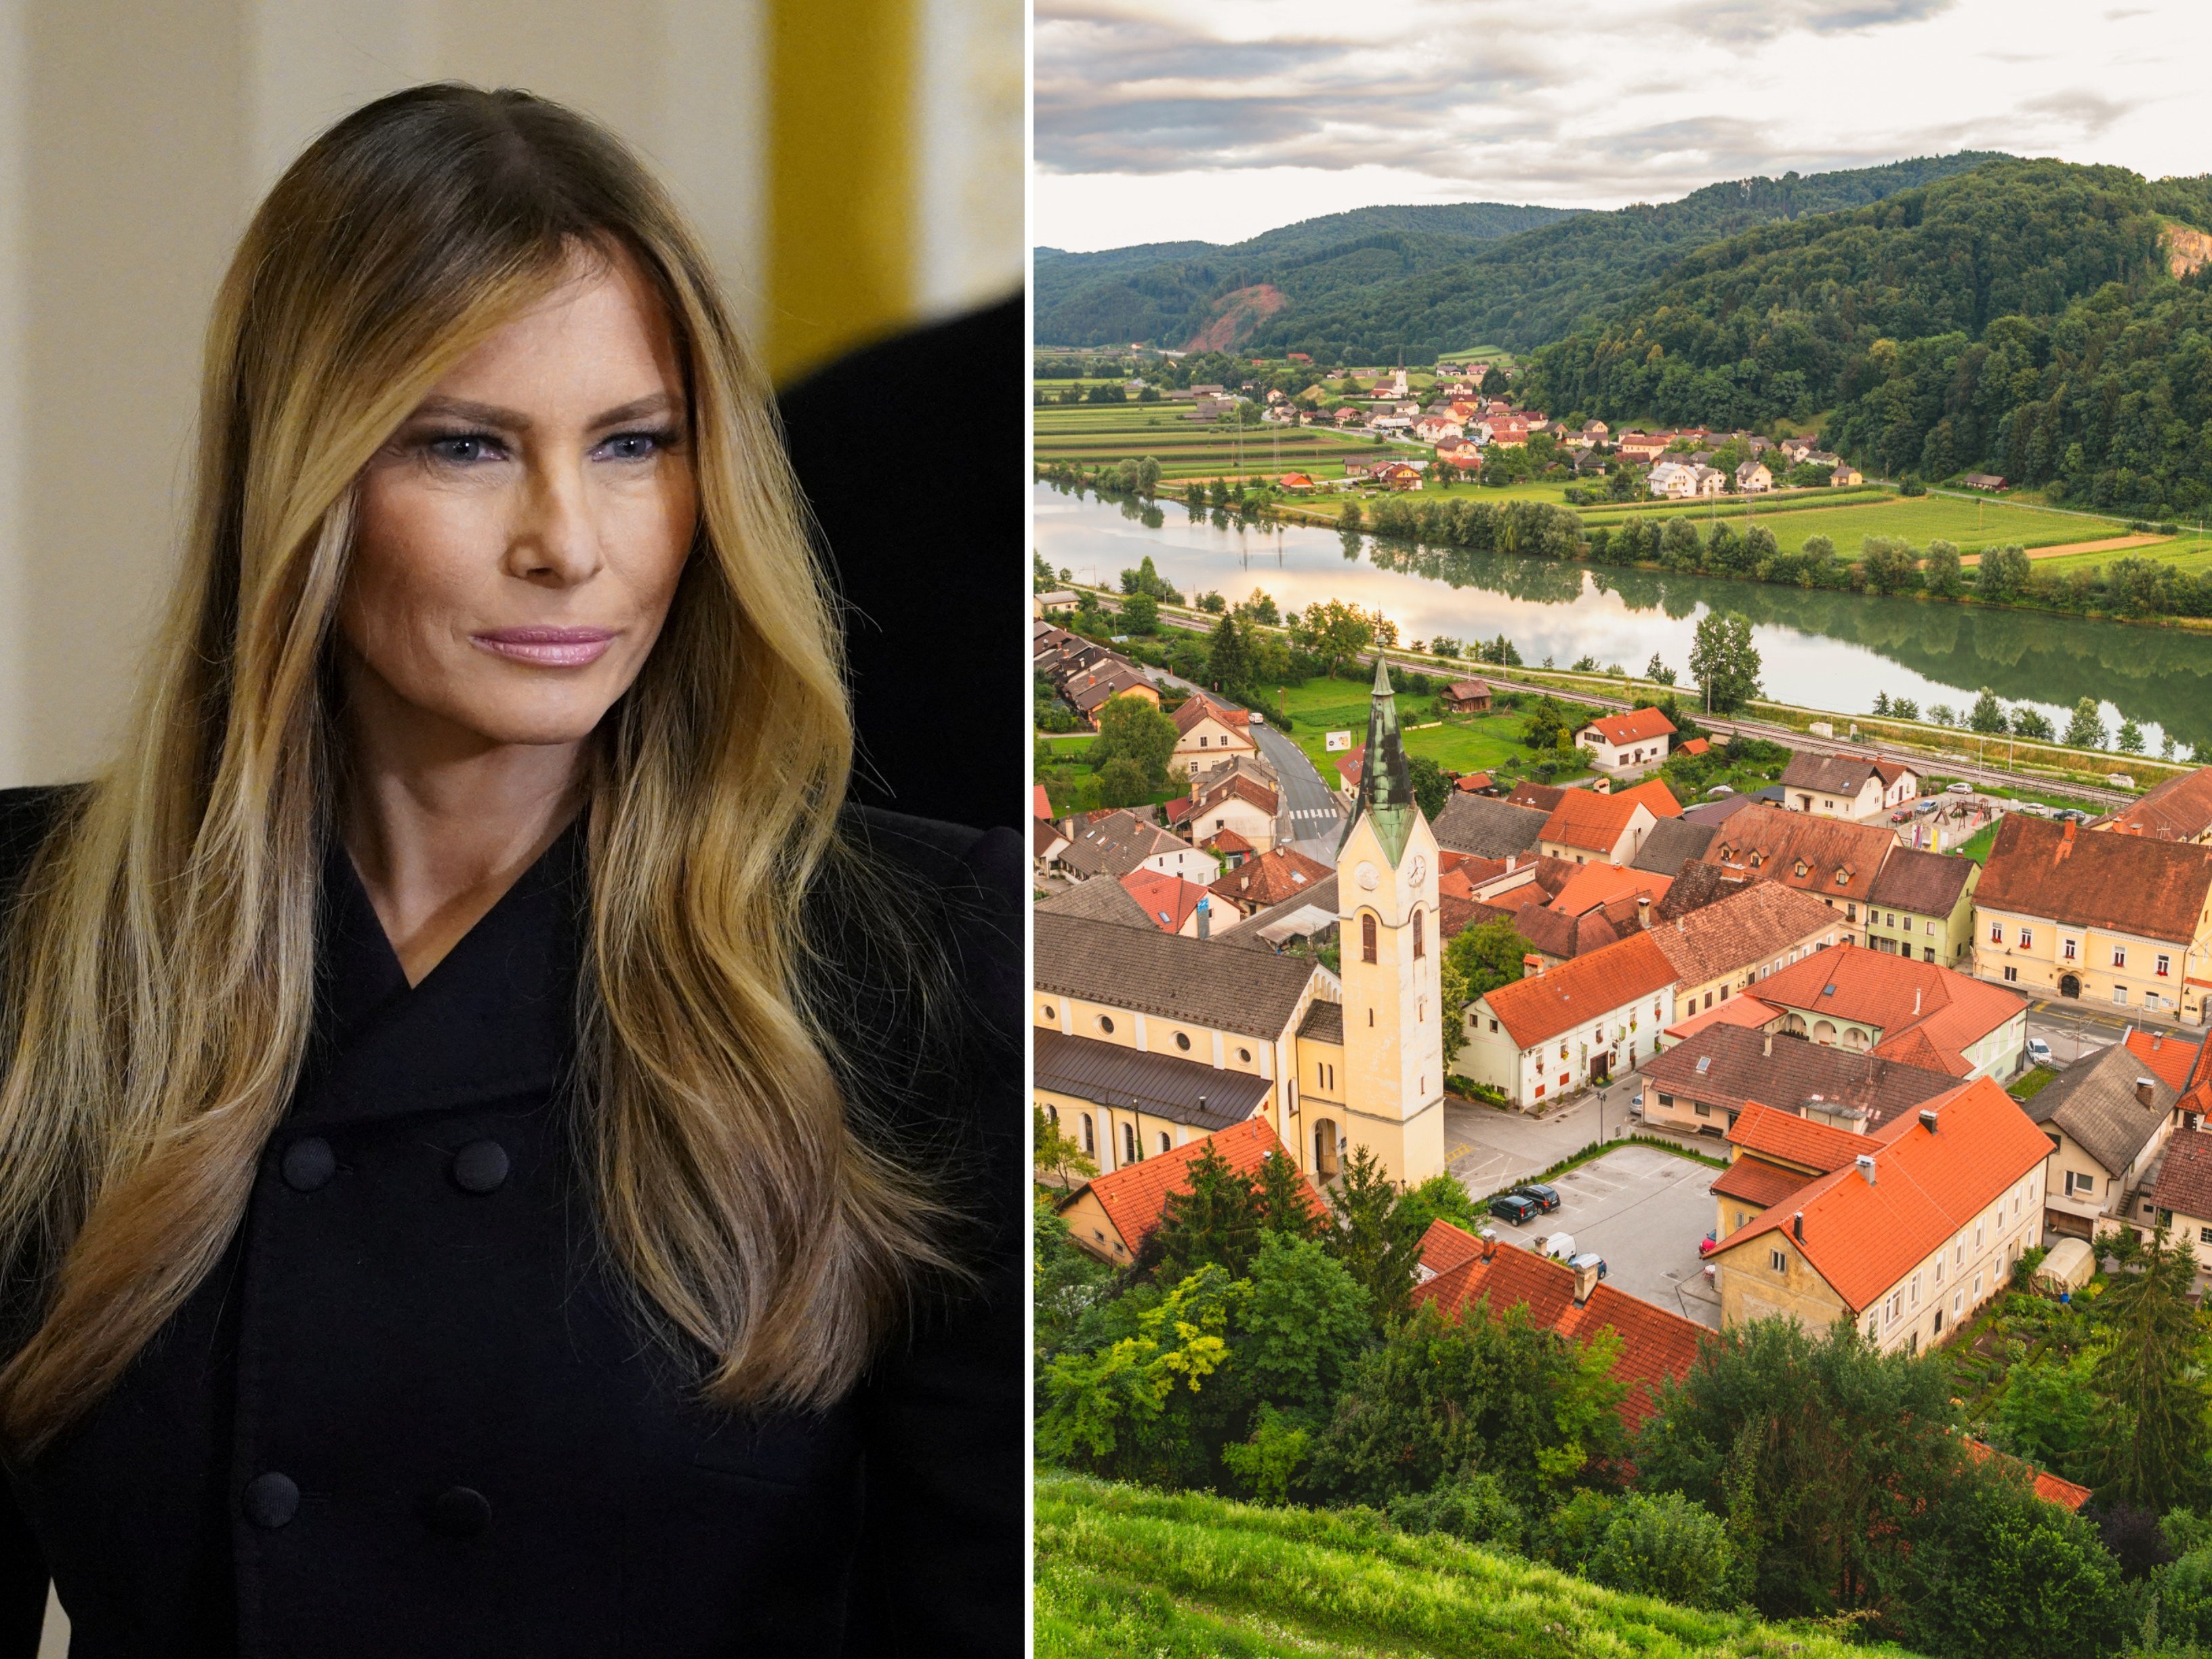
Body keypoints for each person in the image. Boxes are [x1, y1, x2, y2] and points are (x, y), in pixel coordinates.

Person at [0, 85, 1020, 1656]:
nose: (569, 542)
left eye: (633, 444)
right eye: (465, 446)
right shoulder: (32, 927)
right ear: (306, 482)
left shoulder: (920, 962)